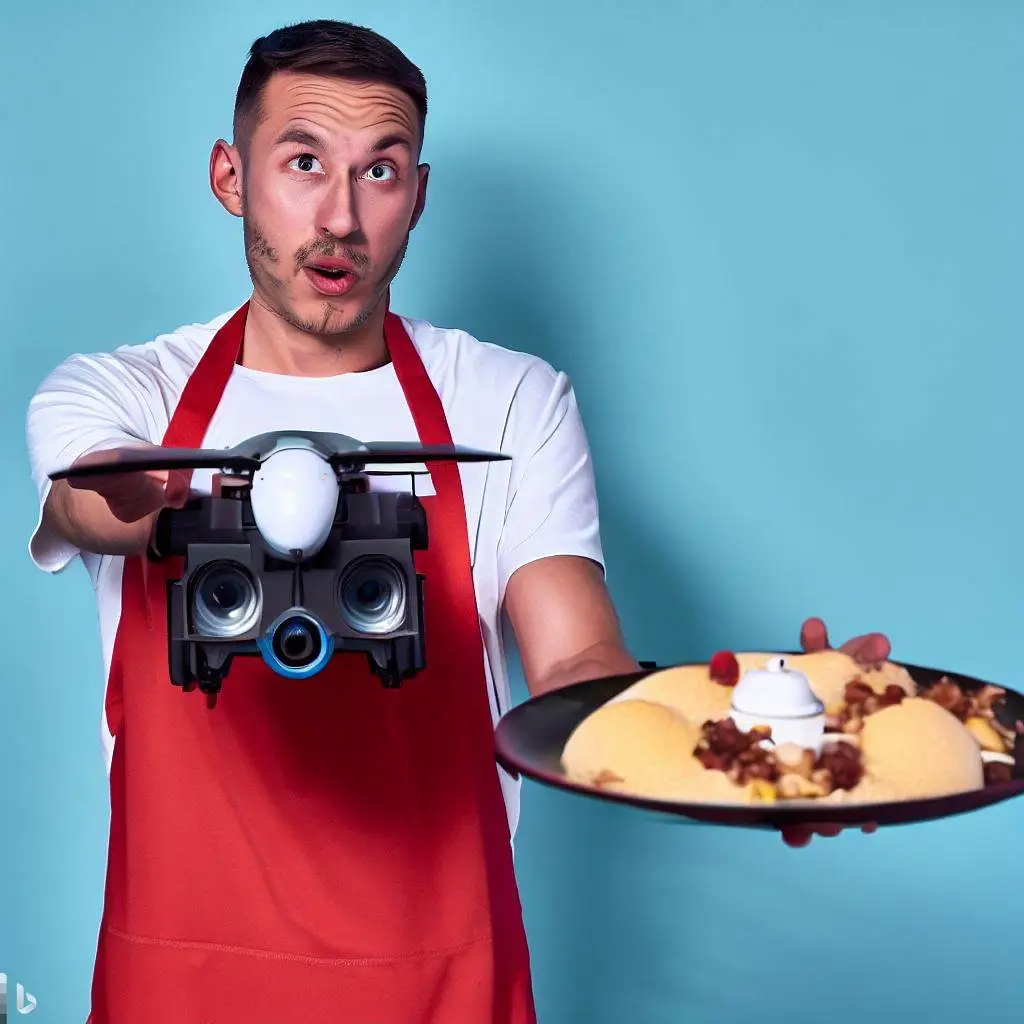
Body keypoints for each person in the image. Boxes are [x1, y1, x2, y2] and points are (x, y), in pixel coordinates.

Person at [24, 19, 884, 1024]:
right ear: (230, 176)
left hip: (440, 989)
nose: (340, 217)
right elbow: (88, 498)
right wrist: (141, 499)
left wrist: (748, 744)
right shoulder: (126, 395)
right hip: (179, 988)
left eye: (378, 171)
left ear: (417, 195)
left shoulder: (505, 402)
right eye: (303, 162)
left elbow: (574, 666)